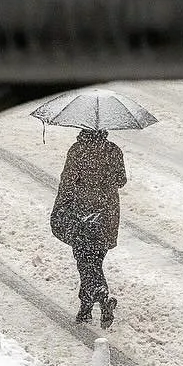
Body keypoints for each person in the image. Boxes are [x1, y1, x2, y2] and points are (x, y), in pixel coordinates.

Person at [50, 128, 127, 328]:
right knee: (94, 259)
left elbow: (67, 182)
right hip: (106, 216)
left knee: (85, 260)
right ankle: (85, 308)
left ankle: (100, 294)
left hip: (82, 214)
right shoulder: (113, 150)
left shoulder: (78, 150)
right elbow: (121, 180)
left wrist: (60, 209)